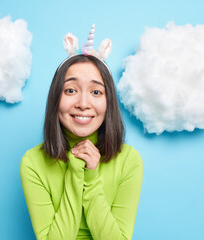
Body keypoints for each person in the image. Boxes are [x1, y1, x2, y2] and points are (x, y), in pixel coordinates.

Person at [20, 25, 143, 240]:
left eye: (96, 92)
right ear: (55, 99)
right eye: (70, 90)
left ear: (109, 102)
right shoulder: (33, 162)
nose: (83, 104)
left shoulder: (129, 160)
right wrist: (76, 171)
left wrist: (92, 177)